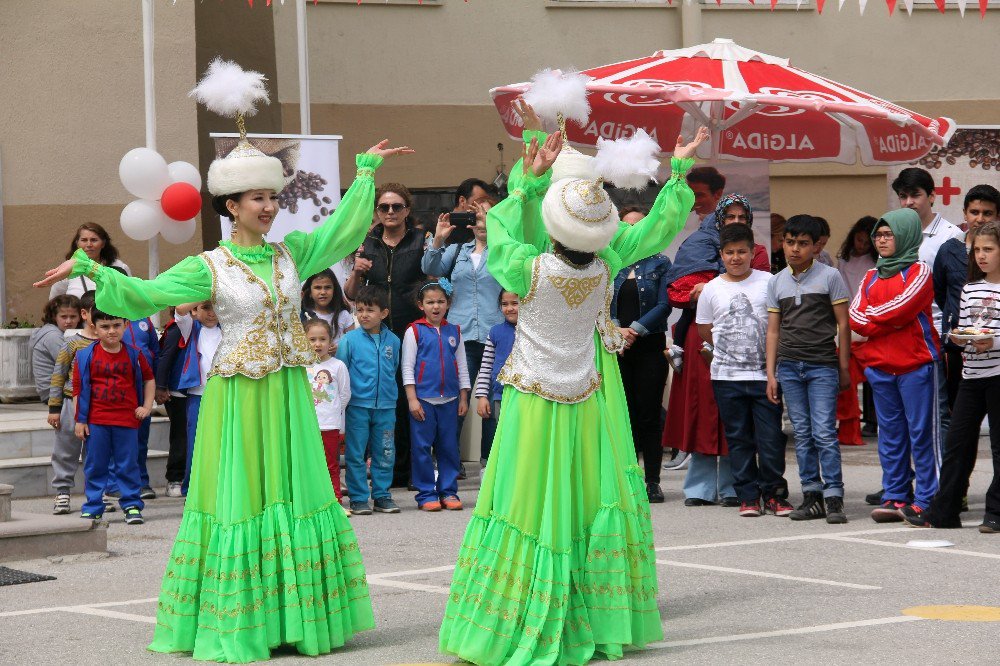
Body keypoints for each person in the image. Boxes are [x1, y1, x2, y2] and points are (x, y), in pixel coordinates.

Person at [35, 63, 411, 657]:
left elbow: (341, 231)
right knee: (242, 496)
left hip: (288, 391)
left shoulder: (294, 252)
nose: (269, 206)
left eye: (273, 196)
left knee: (293, 493)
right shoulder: (207, 266)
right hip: (239, 397)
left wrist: (364, 175)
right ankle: (244, 620)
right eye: (259, 198)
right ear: (231, 205)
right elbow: (146, 294)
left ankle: (294, 618)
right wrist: (90, 269)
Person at [439, 114, 708, 664]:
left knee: (528, 500)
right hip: (587, 396)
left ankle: (523, 612)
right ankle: (583, 606)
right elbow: (654, 231)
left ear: (555, 225)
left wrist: (525, 184)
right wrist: (677, 174)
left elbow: (503, 232)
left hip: (534, 400)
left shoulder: (527, 268)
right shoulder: (607, 266)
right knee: (583, 498)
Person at [663, 194, 768, 504]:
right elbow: (680, 290)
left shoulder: (758, 252)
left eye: (741, 218)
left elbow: (752, 279)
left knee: (735, 412)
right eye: (730, 217)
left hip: (745, 341)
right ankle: (700, 488)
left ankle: (735, 485)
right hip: (701, 336)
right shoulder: (696, 243)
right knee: (703, 410)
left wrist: (707, 284)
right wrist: (710, 284)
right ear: (719, 218)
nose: (735, 222)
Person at [905, 221, 1000, 533]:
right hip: (971, 376)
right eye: (977, 250)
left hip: (998, 374)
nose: (981, 256)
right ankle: (944, 511)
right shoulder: (970, 288)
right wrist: (957, 337)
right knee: (957, 443)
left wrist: (994, 341)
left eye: (989, 249)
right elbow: (960, 327)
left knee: (998, 448)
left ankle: (996, 512)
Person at [849, 209, 942, 524]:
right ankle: (895, 496)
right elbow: (854, 315)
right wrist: (879, 322)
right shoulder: (870, 276)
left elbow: (901, 308)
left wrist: (873, 323)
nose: (881, 239)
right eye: (879, 234)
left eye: (888, 234)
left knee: (922, 436)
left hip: (915, 366)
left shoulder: (919, 271)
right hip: (880, 368)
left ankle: (929, 500)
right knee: (890, 435)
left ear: (905, 235)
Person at [698, 224, 791, 517]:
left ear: (753, 253)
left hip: (766, 378)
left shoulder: (770, 282)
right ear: (721, 255)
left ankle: (774, 494)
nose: (735, 258)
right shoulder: (712, 289)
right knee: (738, 439)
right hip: (727, 378)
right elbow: (705, 328)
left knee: (771, 438)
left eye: (741, 251)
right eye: (729, 252)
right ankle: (748, 496)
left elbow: (780, 324)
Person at [767, 214, 851, 524]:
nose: (795, 249)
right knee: (802, 434)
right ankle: (811, 496)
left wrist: (843, 366)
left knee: (825, 433)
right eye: (790, 242)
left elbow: (843, 324)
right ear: (782, 243)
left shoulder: (830, 276)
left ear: (815, 247)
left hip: (822, 366)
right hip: (789, 367)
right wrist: (772, 373)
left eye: (803, 243)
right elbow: (773, 330)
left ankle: (834, 496)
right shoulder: (776, 281)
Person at [345, 182, 428, 488]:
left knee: (410, 401)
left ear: (407, 209)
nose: (390, 212)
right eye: (384, 207)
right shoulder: (367, 244)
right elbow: (352, 295)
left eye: (396, 207)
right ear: (377, 212)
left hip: (412, 331)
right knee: (379, 402)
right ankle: (384, 470)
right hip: (375, 334)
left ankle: (409, 469)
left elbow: (434, 281)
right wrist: (357, 270)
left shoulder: (422, 240)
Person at [422, 185, 503, 464]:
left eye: (488, 217)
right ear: (469, 223)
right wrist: (439, 239)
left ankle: (489, 464)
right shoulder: (457, 250)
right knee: (456, 401)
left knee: (492, 401)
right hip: (460, 336)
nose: (482, 223)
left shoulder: (506, 252)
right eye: (477, 217)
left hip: (496, 335)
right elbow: (430, 268)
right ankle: (448, 464)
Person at [612, 205, 672, 503]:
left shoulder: (661, 262)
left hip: (649, 348)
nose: (632, 231)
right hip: (616, 349)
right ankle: (629, 479)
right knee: (623, 416)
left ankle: (652, 481)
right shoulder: (611, 263)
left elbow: (664, 305)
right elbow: (599, 303)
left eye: (638, 225)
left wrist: (633, 330)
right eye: (627, 226)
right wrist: (615, 332)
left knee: (649, 415)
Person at [72, 305, 154, 524]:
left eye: (117, 325)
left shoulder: (135, 355)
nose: (111, 331)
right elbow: (78, 389)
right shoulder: (85, 355)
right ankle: (93, 505)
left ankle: (132, 505)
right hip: (96, 420)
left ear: (126, 325)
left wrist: (146, 406)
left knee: (128, 464)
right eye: (105, 326)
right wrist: (80, 420)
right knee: (95, 465)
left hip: (127, 420)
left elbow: (149, 379)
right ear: (94, 327)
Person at [402, 281, 470, 511]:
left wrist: (463, 397)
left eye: (441, 301)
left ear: (448, 304)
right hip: (423, 400)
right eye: (430, 302)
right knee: (421, 447)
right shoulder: (414, 331)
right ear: (421, 305)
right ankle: (426, 493)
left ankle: (448, 492)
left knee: (450, 447)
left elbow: (461, 365)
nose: (436, 306)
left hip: (450, 400)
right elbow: (407, 367)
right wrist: (412, 399)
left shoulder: (455, 331)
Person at [336, 285, 402, 516]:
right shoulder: (349, 340)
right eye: (360, 309)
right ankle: (358, 497)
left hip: (386, 407)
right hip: (358, 407)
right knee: (355, 453)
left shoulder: (393, 341)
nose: (363, 315)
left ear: (383, 313)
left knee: (385, 451)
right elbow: (341, 371)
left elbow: (393, 369)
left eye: (370, 310)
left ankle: (382, 495)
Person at [933, 184, 1000, 408]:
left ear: (997, 216)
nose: (980, 219)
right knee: (956, 412)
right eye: (974, 212)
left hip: (995, 348)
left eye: (987, 213)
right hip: (957, 347)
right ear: (965, 213)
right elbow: (941, 293)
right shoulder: (948, 250)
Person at [46, 291, 98, 515]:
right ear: (85, 315)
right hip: (70, 404)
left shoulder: (110, 343)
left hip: (100, 406)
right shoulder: (71, 344)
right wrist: (54, 408)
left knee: (96, 452)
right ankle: (62, 492)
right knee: (66, 449)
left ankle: (96, 494)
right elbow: (59, 375)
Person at [835, 216, 879, 444]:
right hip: (848, 319)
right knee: (847, 372)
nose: (861, 245)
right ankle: (846, 418)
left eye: (866, 242)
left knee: (873, 373)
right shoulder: (843, 260)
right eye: (858, 240)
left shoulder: (877, 263)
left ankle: (872, 420)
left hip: (870, 319)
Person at [173, 300, 222, 496]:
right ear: (196, 310)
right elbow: (179, 309)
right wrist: (203, 293)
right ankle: (192, 489)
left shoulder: (229, 329)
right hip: (198, 395)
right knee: (196, 442)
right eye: (206, 307)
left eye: (216, 307)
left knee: (223, 442)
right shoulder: (191, 328)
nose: (212, 313)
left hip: (225, 393)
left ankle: (219, 488)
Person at [304, 318, 351, 505]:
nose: (317, 344)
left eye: (322, 339)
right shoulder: (302, 367)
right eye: (312, 339)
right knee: (308, 464)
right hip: (307, 425)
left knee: (331, 464)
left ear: (330, 341)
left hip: (330, 425)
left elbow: (345, 394)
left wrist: (332, 412)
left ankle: (335, 499)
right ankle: (311, 500)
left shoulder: (338, 366)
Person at [474, 289, 518, 466]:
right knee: (501, 437)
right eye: (505, 304)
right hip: (501, 396)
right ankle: (495, 470)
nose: (509, 308)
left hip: (526, 395)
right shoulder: (494, 332)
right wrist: (483, 396)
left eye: (515, 303)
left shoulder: (533, 332)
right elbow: (486, 368)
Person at [154, 309, 188, 498]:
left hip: (198, 390)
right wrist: (160, 386)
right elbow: (165, 357)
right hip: (178, 391)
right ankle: (174, 478)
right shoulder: (177, 329)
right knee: (180, 437)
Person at [48, 223, 131, 299]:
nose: (89, 245)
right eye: (84, 240)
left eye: (94, 240)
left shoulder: (119, 267)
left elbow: (130, 297)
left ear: (103, 243)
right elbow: (55, 303)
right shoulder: (67, 270)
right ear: (77, 243)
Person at [30, 295, 80, 403]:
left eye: (73, 316)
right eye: (64, 316)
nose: (68, 321)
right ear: (54, 317)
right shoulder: (53, 336)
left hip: (57, 389)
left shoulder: (62, 333)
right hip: (53, 393)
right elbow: (72, 366)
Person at [300, 268, 354, 348]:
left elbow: (354, 342)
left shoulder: (343, 315)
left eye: (327, 287)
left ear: (334, 290)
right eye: (318, 287)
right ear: (310, 292)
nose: (323, 292)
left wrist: (340, 349)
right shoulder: (303, 315)